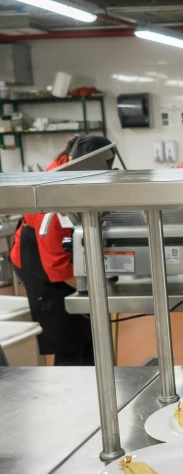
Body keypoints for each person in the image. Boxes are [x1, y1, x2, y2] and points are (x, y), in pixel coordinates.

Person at [11, 135, 116, 366]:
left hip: (56, 257)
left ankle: (93, 385)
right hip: (38, 264)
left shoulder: (68, 169)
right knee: (68, 338)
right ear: (73, 161)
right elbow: (56, 268)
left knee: (88, 332)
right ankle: (70, 392)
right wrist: (99, 292)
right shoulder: (54, 198)